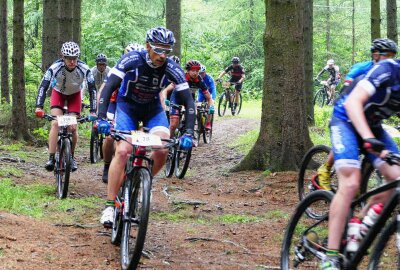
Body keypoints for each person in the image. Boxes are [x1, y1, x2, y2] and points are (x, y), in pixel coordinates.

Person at [97, 27, 196, 227]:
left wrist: (189, 132)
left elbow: (189, 102)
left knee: (162, 149)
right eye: (159, 50)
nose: (163, 55)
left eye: (167, 51)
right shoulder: (132, 59)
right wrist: (101, 118)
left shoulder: (171, 68)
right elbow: (108, 88)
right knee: (124, 150)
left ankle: (142, 181)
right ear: (148, 46)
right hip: (127, 108)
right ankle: (109, 206)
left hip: (153, 110)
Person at [320, 40, 399, 270]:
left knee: (396, 178)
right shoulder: (388, 69)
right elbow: (354, 102)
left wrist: (371, 136)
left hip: (372, 126)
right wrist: (367, 138)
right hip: (345, 119)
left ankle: (358, 223)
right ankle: (330, 256)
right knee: (351, 181)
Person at [316, 38, 398, 191]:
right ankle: (326, 169)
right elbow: (348, 88)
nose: (390, 59)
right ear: (375, 55)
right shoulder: (362, 68)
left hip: (371, 117)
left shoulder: (390, 72)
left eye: (392, 56)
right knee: (347, 139)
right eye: (387, 55)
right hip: (348, 108)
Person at [35, 41, 97, 172]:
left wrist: (93, 110)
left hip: (75, 95)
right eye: (69, 58)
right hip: (58, 93)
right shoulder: (55, 67)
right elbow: (43, 85)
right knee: (55, 123)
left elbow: (93, 90)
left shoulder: (85, 69)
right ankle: (51, 157)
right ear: (63, 57)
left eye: (75, 58)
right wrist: (39, 106)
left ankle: (71, 157)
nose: (72, 62)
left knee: (73, 127)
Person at [99, 43, 145, 183]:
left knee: (140, 134)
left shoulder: (145, 71)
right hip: (115, 104)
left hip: (136, 105)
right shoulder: (117, 69)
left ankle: (135, 165)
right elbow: (104, 90)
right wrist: (99, 111)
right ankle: (107, 166)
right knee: (109, 137)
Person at [164, 60, 214, 138]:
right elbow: (166, 90)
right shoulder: (180, 77)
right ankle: (168, 142)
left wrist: (211, 107)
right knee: (173, 124)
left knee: (193, 114)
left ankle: (190, 135)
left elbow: (209, 98)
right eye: (193, 70)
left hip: (189, 101)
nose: (195, 73)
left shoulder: (199, 80)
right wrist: (164, 100)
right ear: (188, 71)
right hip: (176, 99)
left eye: (197, 71)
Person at [199, 64, 216, 130]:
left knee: (210, 107)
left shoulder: (209, 79)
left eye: (202, 73)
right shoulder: (197, 78)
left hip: (210, 93)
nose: (201, 74)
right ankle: (199, 120)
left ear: (205, 72)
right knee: (198, 106)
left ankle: (208, 123)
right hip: (202, 93)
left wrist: (212, 99)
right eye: (200, 73)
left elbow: (213, 90)